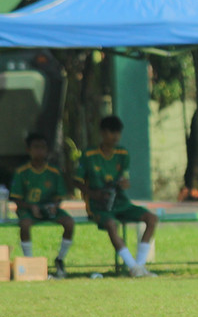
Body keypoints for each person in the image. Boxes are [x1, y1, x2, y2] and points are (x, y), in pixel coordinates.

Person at [74, 115, 159, 278]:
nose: (114, 137)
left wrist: (124, 183)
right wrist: (93, 193)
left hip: (120, 201)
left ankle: (139, 266)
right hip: (98, 204)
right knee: (112, 225)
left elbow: (124, 178)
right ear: (102, 133)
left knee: (152, 219)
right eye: (110, 132)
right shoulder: (89, 154)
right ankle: (132, 266)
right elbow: (75, 180)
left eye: (117, 133)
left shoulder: (122, 153)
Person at [10, 132, 74, 279]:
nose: (39, 151)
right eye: (36, 147)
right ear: (29, 150)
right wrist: (31, 207)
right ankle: (29, 261)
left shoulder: (54, 171)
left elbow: (60, 195)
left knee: (69, 222)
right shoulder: (22, 172)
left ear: (47, 150)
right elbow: (15, 197)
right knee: (25, 225)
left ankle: (60, 259)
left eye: (43, 147)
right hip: (28, 209)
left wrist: (54, 206)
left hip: (48, 209)